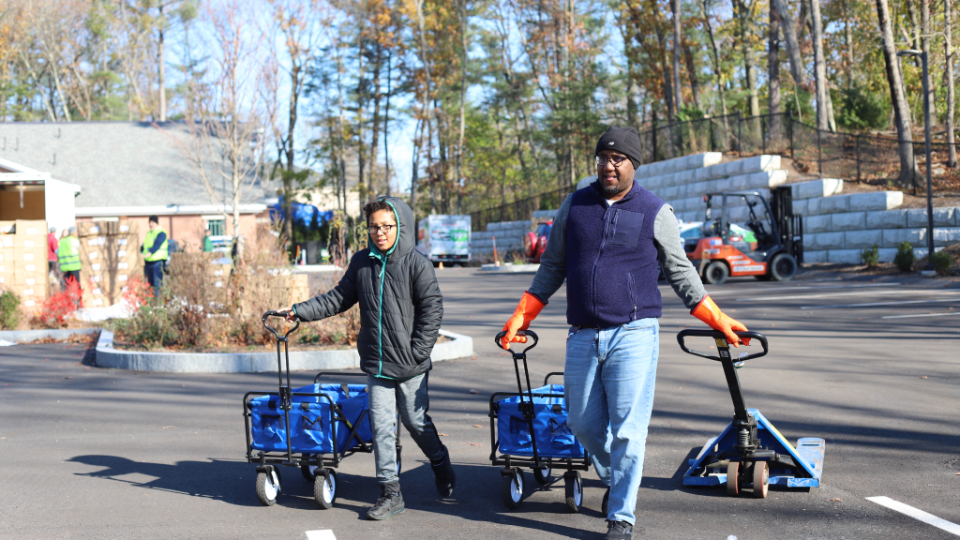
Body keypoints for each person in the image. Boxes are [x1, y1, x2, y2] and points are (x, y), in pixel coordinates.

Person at [499, 126, 749, 540]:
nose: (608, 166)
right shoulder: (575, 205)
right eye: (603, 158)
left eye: (618, 159)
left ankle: (621, 517)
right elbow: (552, 266)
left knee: (629, 430)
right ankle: (617, 478)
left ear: (634, 164)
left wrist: (717, 318)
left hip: (634, 333)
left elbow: (680, 271)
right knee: (581, 423)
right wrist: (521, 317)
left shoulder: (655, 211)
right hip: (583, 334)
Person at [275, 196, 454, 521]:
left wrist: (418, 351)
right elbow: (338, 298)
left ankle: (440, 462)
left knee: (415, 422)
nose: (379, 233)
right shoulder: (362, 262)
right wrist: (299, 311)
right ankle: (390, 493)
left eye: (386, 226)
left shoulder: (417, 264)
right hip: (377, 363)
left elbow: (432, 309)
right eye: (373, 227)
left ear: (400, 226)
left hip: (411, 365)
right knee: (382, 427)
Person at [141, 215, 168, 298]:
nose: (150, 224)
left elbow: (157, 244)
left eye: (152, 222)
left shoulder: (161, 233)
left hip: (158, 261)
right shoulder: (149, 233)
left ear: (156, 222)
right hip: (148, 261)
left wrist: (150, 252)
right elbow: (145, 245)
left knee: (157, 283)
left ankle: (158, 301)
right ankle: (152, 300)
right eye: (149, 222)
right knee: (150, 283)